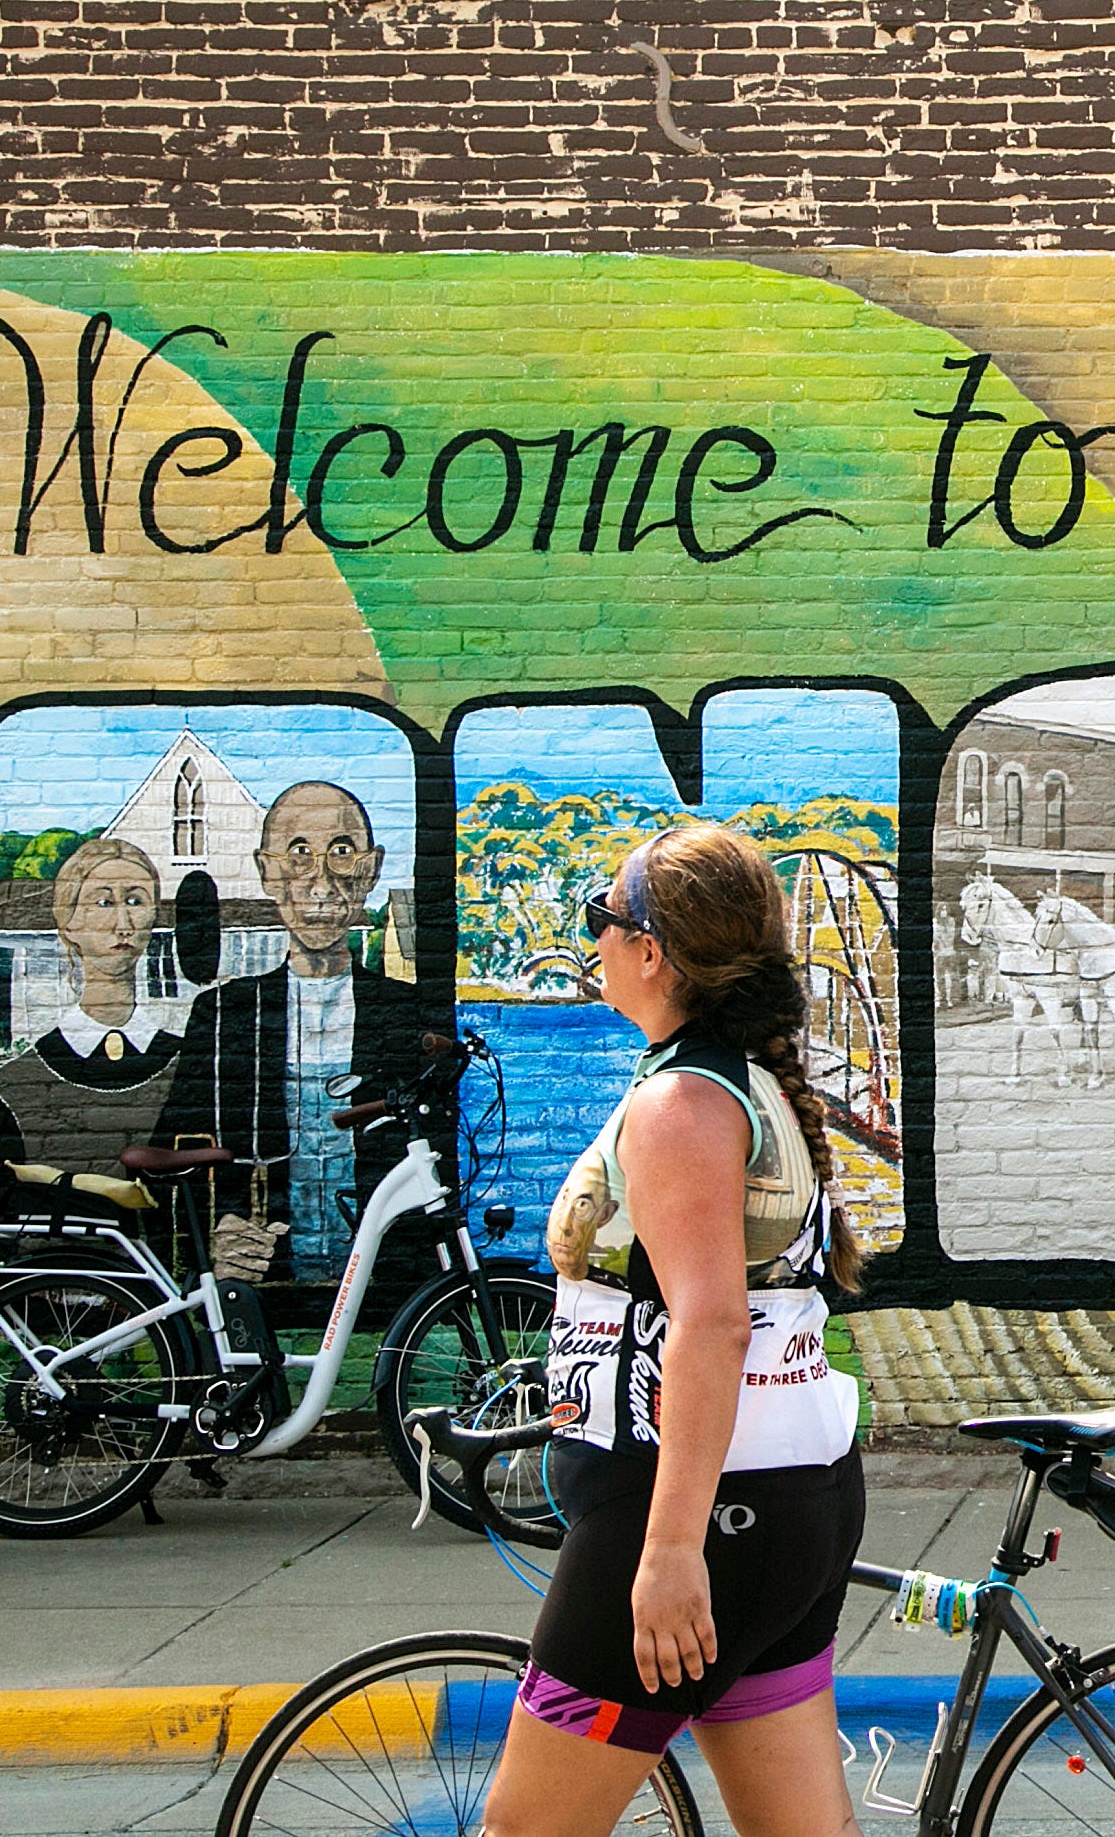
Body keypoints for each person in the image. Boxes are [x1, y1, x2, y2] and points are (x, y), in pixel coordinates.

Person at [498, 824, 867, 1837]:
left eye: (600, 922)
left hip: (694, 1518)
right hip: (784, 1503)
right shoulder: (736, 1083)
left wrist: (665, 1552)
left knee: (525, 1833)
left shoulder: (680, 1104)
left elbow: (707, 1327)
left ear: (652, 949)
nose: (595, 943)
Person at [160, 780, 447, 1277]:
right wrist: (211, 1237)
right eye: (298, 854)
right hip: (266, 1277)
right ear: (267, 872)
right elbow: (169, 1157)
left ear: (370, 870)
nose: (321, 882)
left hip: (380, 1285)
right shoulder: (225, 1013)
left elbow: (439, 1161)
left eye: (341, 852)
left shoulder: (408, 1013)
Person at [0, 837, 183, 1225]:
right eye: (103, 902)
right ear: (67, 921)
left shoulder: (191, 1068)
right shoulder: (11, 1088)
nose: (124, 923)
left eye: (135, 900)